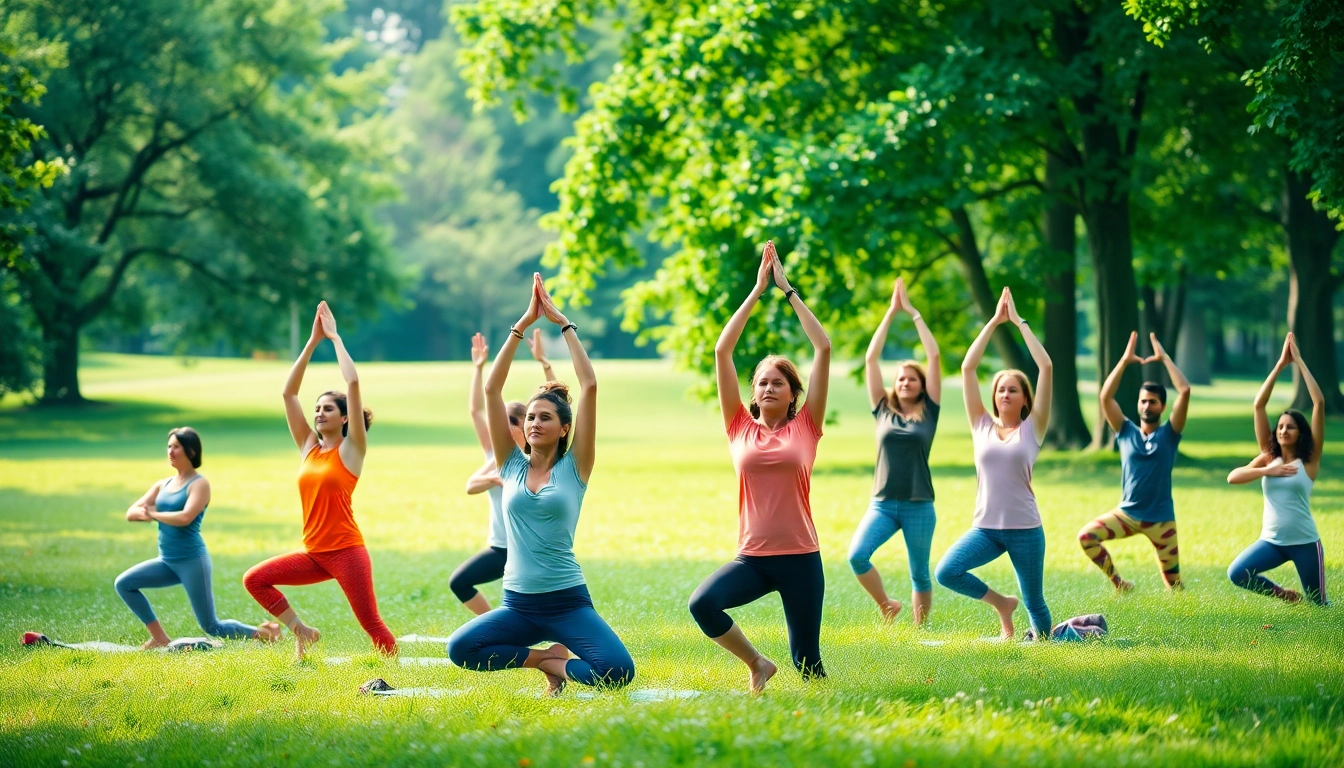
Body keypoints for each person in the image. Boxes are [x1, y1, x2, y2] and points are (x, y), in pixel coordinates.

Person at [447, 274, 634, 695]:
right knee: (462, 649)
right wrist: (520, 326)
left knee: (618, 673)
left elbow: (589, 386)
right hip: (518, 604)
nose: (534, 423)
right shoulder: (508, 464)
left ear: (564, 427)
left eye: (545, 417)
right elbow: (492, 389)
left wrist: (563, 323)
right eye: (530, 417)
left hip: (568, 601)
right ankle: (545, 659)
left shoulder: (576, 467)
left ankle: (562, 667)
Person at [688, 240, 832, 694]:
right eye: (762, 382)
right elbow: (721, 352)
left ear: (794, 394)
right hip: (753, 558)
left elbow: (823, 348)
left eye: (779, 383)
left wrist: (787, 291)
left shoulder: (807, 427)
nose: (769, 388)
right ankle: (756, 664)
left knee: (808, 665)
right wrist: (755, 292)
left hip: (801, 558)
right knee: (703, 604)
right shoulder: (738, 427)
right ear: (752, 393)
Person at [243, 302, 397, 658]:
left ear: (345, 418)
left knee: (371, 624)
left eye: (327, 408)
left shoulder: (351, 450)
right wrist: (312, 343)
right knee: (255, 579)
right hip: (314, 553)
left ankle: (396, 674)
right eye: (317, 408)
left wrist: (335, 338)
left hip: (346, 552)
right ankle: (302, 631)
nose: (318, 412)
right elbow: (288, 394)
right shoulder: (309, 448)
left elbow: (353, 381)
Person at [935, 287, 1054, 639]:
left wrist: (1018, 323)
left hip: (1025, 529)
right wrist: (992, 322)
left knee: (1035, 602)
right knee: (947, 571)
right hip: (986, 528)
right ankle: (1002, 603)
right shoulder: (981, 425)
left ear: (1024, 398)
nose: (1005, 393)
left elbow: (1045, 366)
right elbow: (968, 367)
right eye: (1001, 388)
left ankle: (1044, 647)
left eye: (1013, 389)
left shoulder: (1034, 428)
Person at [115, 428, 280, 648]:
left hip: (192, 561)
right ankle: (159, 638)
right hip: (166, 561)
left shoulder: (199, 484)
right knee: (124, 584)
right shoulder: (161, 485)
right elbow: (131, 512)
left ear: (191, 451)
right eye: (169, 446)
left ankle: (266, 634)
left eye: (176, 447)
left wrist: (153, 513)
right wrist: (151, 513)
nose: (170, 451)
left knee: (212, 626)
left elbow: (185, 517)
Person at [848, 276, 941, 625]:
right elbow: (871, 359)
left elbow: (933, 355)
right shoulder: (882, 410)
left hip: (919, 504)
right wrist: (889, 313)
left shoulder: (929, 411)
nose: (905, 382)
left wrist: (913, 314)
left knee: (920, 572)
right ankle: (886, 604)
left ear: (921, 386)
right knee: (857, 555)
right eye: (900, 379)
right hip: (883, 503)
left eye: (912, 379)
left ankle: (919, 631)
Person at [450, 330, 556, 616]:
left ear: (526, 424)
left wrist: (545, 363)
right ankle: (491, 624)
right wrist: (478, 368)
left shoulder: (537, 456)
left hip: (528, 549)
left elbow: (556, 402)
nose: (503, 425)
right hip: (500, 548)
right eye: (501, 419)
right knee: (459, 582)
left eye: (511, 420)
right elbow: (475, 410)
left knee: (533, 602)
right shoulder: (495, 455)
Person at [1079, 331, 1191, 591]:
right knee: (1086, 537)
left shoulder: (1169, 435)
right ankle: (1120, 584)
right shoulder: (1125, 431)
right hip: (1127, 514)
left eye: (1152, 402)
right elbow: (1105, 398)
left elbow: (1185, 391)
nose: (1146, 406)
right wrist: (1124, 362)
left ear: (1162, 407)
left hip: (1161, 520)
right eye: (1143, 401)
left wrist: (1164, 359)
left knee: (1174, 583)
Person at [1226, 333, 1329, 605]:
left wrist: (1299, 363)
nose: (1283, 429)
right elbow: (1233, 477)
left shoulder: (1309, 460)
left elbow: (1319, 404)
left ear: (1300, 433)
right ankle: (1284, 594)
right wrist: (1280, 365)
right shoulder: (1267, 457)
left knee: (1319, 604)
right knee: (1237, 573)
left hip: (1305, 542)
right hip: (1271, 542)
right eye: (1280, 426)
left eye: (1290, 426)